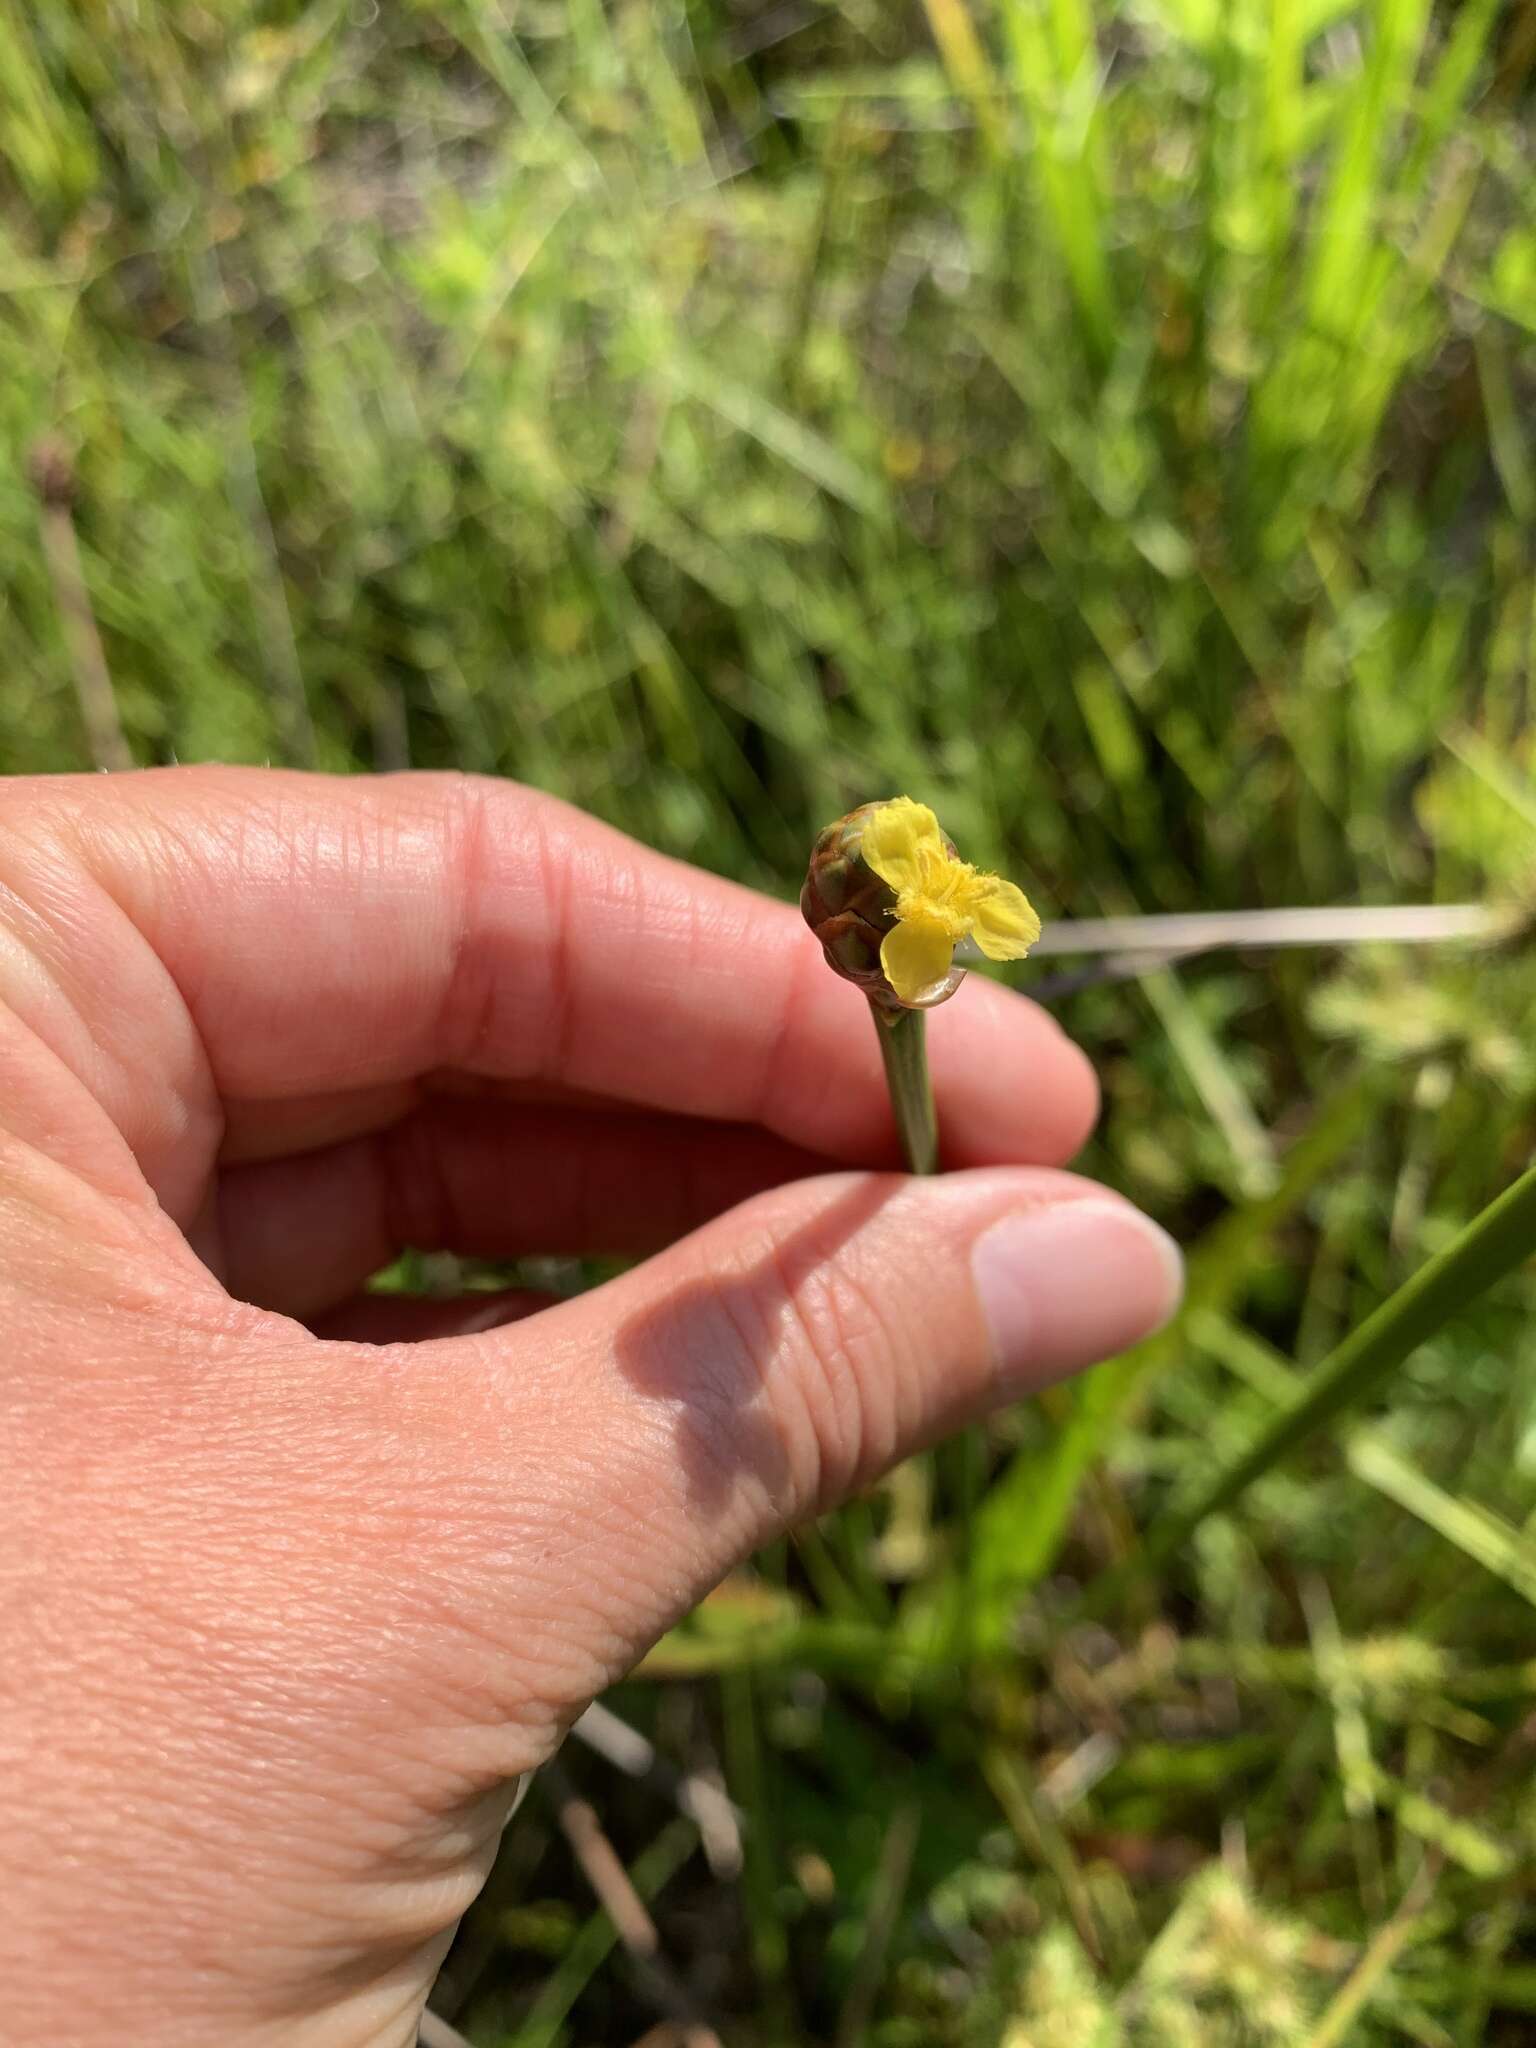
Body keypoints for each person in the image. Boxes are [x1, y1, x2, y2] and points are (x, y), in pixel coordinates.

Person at [2, 768, 1181, 2046]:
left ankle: (958, 1657)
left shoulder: (930, 930)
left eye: (929, 882)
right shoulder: (899, 925)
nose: (933, 882)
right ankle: (932, 1674)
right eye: (917, 879)